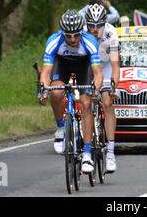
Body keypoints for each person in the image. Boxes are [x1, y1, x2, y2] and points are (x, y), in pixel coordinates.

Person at [38, 9, 103, 174]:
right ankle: (61, 128)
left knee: (86, 103)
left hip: (84, 65)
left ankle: (87, 153)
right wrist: (42, 91)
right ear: (62, 33)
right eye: (68, 36)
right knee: (57, 92)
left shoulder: (89, 42)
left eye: (76, 35)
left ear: (82, 31)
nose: (73, 40)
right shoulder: (54, 41)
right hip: (63, 64)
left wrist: (95, 88)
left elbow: (97, 73)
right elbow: (45, 73)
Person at [85, 3, 120, 173]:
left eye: (98, 25)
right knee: (84, 102)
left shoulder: (111, 33)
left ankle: (111, 154)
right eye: (91, 24)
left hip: (105, 69)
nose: (94, 28)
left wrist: (113, 86)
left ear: (105, 23)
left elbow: (115, 66)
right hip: (88, 68)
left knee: (107, 103)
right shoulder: (82, 32)